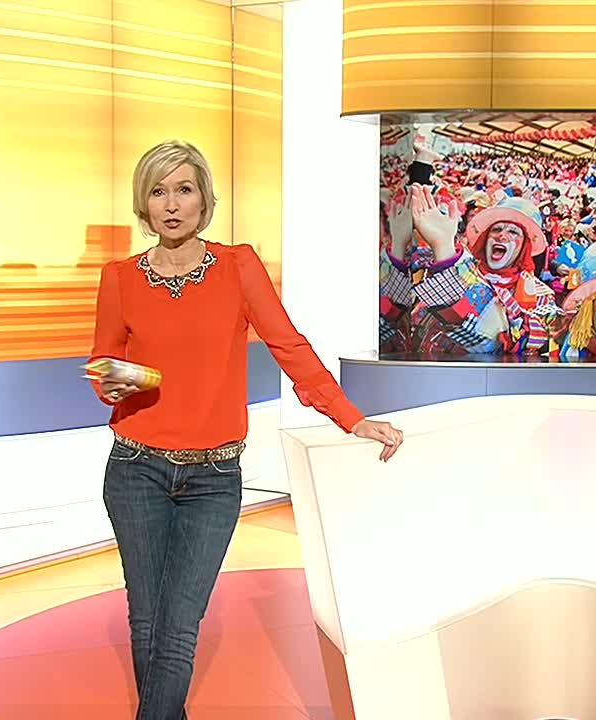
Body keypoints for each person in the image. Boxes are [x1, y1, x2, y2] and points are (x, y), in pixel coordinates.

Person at [87, 139, 405, 720]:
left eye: (184, 189)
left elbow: (289, 346)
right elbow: (102, 368)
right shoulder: (120, 278)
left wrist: (351, 417)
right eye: (158, 192)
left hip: (212, 478)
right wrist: (135, 376)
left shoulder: (238, 266)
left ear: (205, 200)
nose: (171, 204)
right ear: (144, 203)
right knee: (147, 622)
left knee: (178, 628)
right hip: (135, 470)